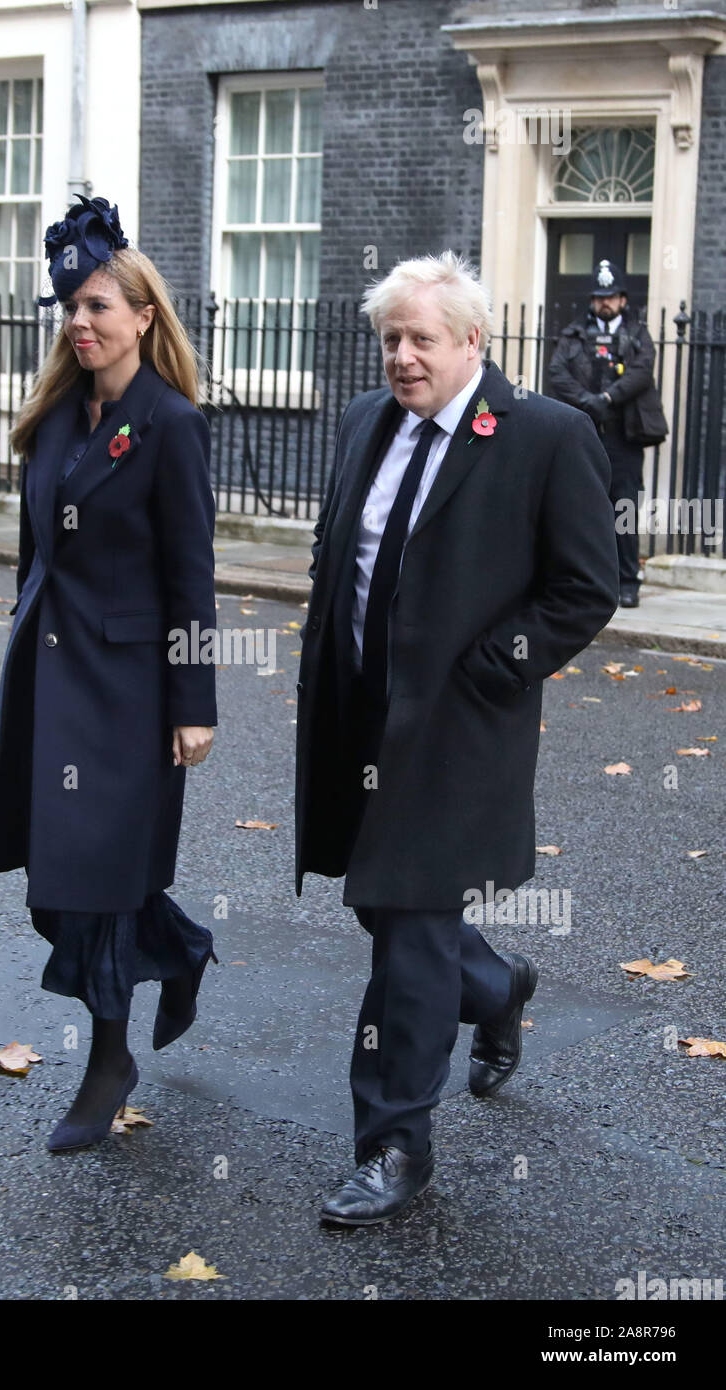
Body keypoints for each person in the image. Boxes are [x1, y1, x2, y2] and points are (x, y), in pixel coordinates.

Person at [294, 251, 619, 1226]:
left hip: (453, 728)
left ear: (470, 343)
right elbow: (340, 552)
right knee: (394, 918)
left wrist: (494, 665)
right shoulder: (363, 422)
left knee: (401, 932)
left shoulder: (543, 437)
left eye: (419, 339)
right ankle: (494, 979)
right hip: (357, 718)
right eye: (389, 338)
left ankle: (394, 1144)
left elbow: (584, 586)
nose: (400, 356)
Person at [0, 196, 218, 1152]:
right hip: (51, 680)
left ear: (143, 316)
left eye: (100, 306)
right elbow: (35, 558)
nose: (81, 322)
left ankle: (109, 1063)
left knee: (96, 885)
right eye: (71, 306)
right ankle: (180, 948)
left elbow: (191, 572)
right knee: (52, 887)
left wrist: (194, 702)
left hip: (133, 692)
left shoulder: (171, 425)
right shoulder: (56, 419)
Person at [546, 260, 663, 608]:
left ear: (624, 299)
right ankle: (591, 580)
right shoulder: (574, 332)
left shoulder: (638, 334)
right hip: (584, 433)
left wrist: (608, 398)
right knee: (582, 506)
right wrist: (586, 400)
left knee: (624, 507)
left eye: (611, 297)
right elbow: (557, 370)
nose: (605, 303)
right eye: (599, 297)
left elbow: (642, 373)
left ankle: (628, 581)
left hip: (623, 437)